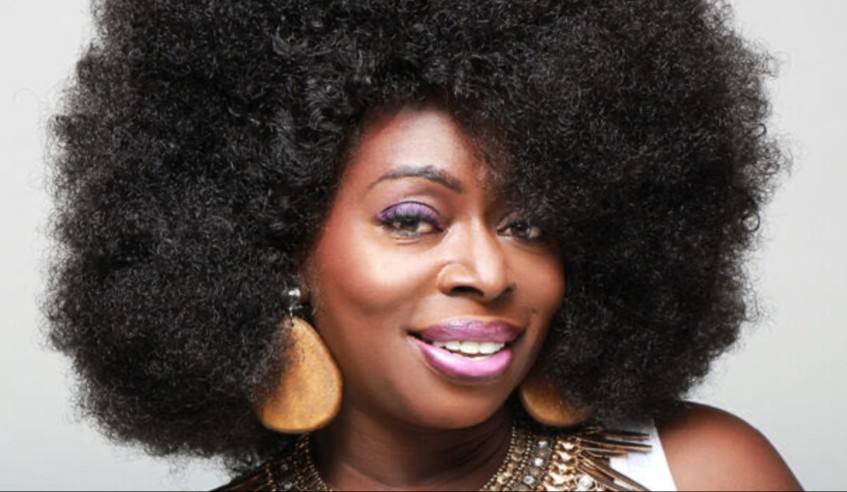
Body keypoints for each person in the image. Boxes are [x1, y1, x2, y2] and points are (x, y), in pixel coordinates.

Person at [46, 0, 801, 490]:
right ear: (278, 248)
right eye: (412, 219)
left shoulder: (706, 472)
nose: (488, 272)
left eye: (528, 224)